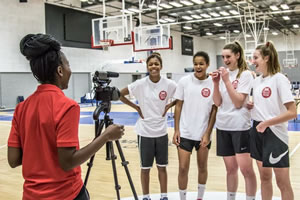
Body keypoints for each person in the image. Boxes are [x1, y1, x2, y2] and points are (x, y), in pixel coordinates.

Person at [7, 33, 124, 200]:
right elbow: (68, 162)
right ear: (60, 70)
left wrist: (40, 152)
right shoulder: (67, 106)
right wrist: (106, 136)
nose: (70, 69)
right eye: (68, 64)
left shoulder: (21, 108)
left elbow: (13, 159)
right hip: (65, 194)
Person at [120, 52, 177, 200]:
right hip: (145, 132)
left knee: (162, 167)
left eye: (156, 64)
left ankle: (164, 196)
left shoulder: (169, 84)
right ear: (147, 67)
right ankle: (146, 196)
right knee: (145, 169)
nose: (153, 66)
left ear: (161, 66)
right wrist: (136, 107)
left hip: (162, 132)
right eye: (151, 64)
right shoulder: (140, 84)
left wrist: (170, 104)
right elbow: (120, 94)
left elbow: (182, 95)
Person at [249, 41, 296, 200]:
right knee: (264, 178)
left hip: (275, 134)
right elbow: (265, 106)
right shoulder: (256, 81)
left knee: (282, 182)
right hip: (257, 130)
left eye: (255, 57)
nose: (252, 61)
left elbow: (292, 112)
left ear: (267, 58)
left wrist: (267, 123)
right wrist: (252, 106)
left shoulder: (279, 79)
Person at [211, 41, 257, 200]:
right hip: (223, 126)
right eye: (223, 57)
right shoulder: (224, 76)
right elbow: (217, 103)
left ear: (237, 55)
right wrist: (216, 84)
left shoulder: (245, 74)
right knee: (230, 169)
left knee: (246, 170)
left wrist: (226, 81)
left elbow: (238, 102)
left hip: (240, 127)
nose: (225, 60)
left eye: (228, 56)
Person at [172, 51, 217, 200]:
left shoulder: (213, 83)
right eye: (195, 64)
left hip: (202, 134)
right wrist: (176, 130)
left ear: (207, 65)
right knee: (183, 168)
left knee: (202, 167)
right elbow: (178, 106)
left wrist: (207, 133)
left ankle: (200, 197)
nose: (198, 66)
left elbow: (214, 109)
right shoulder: (184, 81)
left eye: (201, 64)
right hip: (185, 133)